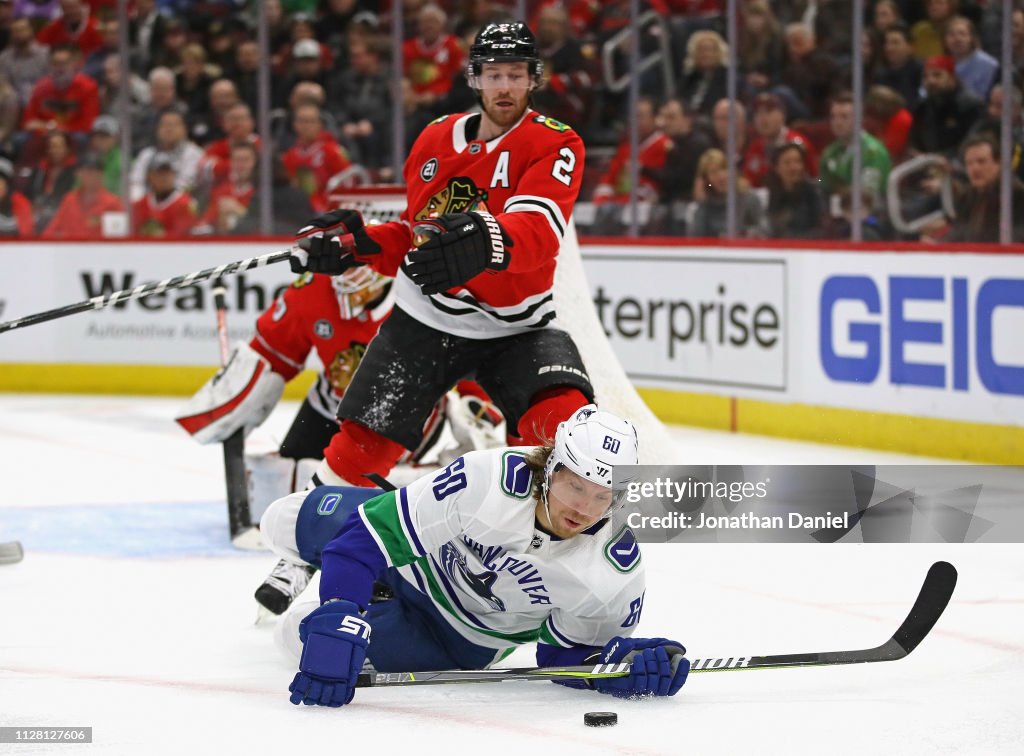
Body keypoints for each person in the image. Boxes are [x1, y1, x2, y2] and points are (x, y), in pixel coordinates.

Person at [286, 21, 595, 497]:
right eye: (494, 75)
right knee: (360, 447)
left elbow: (538, 234)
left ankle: (537, 549)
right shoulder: (434, 138)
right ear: (474, 78)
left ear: (534, 78)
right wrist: (355, 245)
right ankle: (297, 557)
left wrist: (482, 235)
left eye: (516, 74)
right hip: (425, 320)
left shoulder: (555, 142)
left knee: (564, 425)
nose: (505, 86)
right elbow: (413, 235)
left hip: (515, 326)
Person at [261, 405, 690, 707]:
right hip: (417, 559)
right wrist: (340, 608)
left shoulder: (613, 570)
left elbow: (561, 659)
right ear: (550, 467)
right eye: (574, 487)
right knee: (282, 518)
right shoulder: (488, 478)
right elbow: (368, 538)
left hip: (457, 637)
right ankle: (360, 587)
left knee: (294, 634)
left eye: (601, 498)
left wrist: (617, 669)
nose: (582, 509)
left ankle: (366, 598)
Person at [41, 152, 124, 239]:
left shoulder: (113, 203)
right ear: (78, 174)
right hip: (70, 249)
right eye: (85, 171)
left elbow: (117, 237)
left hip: (99, 250)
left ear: (101, 174)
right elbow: (52, 229)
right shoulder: (69, 199)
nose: (89, 176)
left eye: (93, 171)